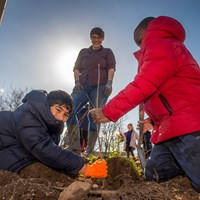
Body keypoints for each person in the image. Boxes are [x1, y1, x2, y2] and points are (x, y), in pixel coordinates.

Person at [89, 16, 200, 192]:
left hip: (191, 127)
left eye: (140, 41)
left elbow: (144, 84)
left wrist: (109, 111)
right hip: (170, 129)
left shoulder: (161, 43)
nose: (141, 46)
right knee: (155, 173)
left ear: (148, 32)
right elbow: (167, 96)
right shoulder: (166, 46)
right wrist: (154, 121)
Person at [0, 90, 107, 179]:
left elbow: (52, 152)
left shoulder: (53, 128)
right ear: (47, 105)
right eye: (58, 110)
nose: (60, 118)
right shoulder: (28, 115)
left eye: (65, 115)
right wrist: (85, 168)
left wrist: (80, 162)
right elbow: (44, 149)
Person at [67, 27, 116, 155]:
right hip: (83, 86)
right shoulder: (83, 52)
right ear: (90, 38)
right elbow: (76, 68)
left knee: (95, 116)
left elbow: (111, 67)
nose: (96, 39)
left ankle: (89, 151)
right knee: (70, 109)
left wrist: (109, 83)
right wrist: (77, 82)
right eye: (94, 37)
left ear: (102, 39)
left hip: (100, 86)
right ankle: (74, 147)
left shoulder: (107, 52)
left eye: (99, 37)